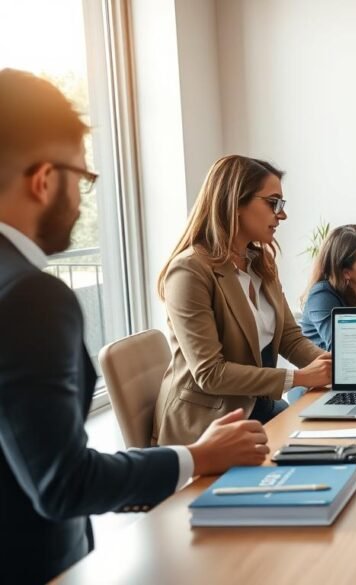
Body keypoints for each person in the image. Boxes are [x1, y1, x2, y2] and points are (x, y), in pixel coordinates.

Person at [0, 69, 270, 584]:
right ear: (44, 180)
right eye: (83, 178)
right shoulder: (30, 297)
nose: (82, 200)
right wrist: (198, 456)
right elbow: (63, 484)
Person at [153, 155, 331, 446]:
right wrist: (299, 378)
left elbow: (290, 339)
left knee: (332, 443)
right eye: (273, 203)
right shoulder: (189, 271)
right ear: (235, 202)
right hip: (209, 425)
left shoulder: (261, 263)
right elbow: (210, 373)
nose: (282, 215)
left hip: (259, 408)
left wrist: (340, 368)